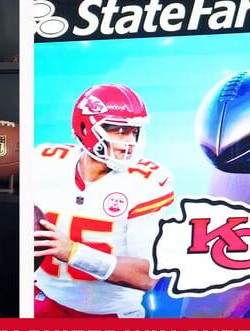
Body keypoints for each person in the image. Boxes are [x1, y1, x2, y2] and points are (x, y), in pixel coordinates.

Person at [33, 84, 174, 317]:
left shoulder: (147, 183)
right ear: (86, 129)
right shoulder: (44, 162)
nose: (130, 142)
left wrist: (72, 252)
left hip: (110, 313)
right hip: (45, 298)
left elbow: (148, 276)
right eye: (119, 131)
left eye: (134, 131)